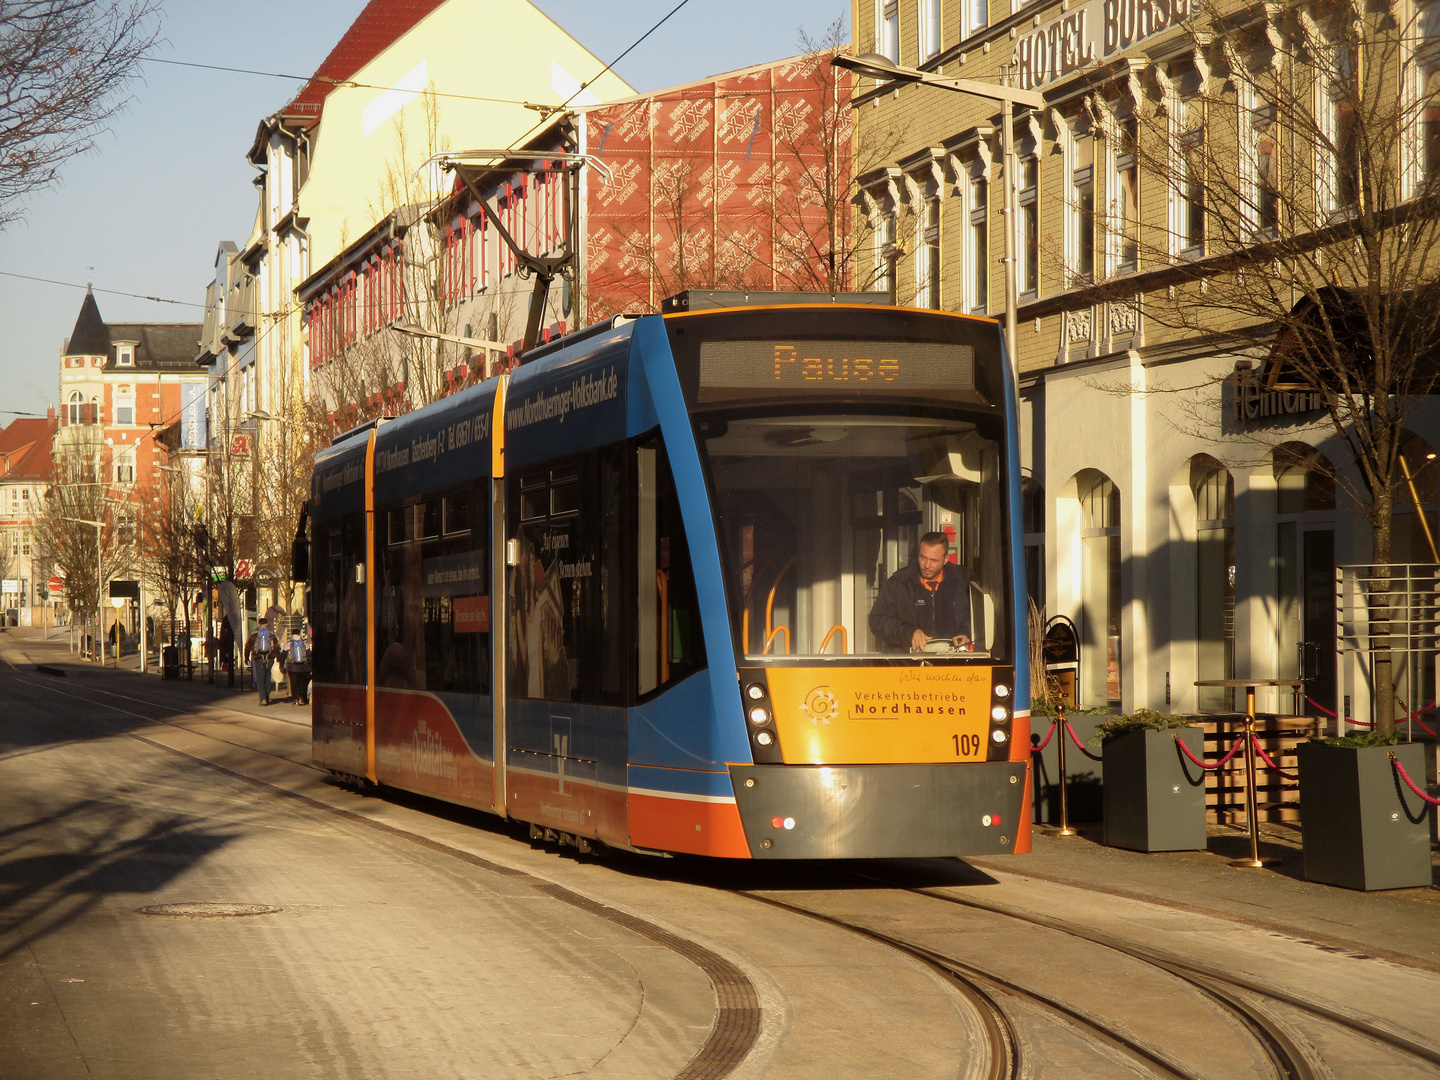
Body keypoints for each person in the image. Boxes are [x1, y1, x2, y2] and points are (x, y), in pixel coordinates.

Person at [868, 531, 974, 653]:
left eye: (934, 560)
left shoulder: (962, 582)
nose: (927, 565)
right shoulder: (899, 582)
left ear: (945, 560)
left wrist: (965, 633)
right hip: (907, 664)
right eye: (923, 558)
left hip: (951, 663)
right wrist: (908, 632)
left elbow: (973, 617)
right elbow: (876, 620)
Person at [244, 617, 280, 706]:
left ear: (259, 624)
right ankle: (267, 697)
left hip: (258, 658)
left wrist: (246, 658)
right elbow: (277, 647)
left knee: (260, 679)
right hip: (270, 658)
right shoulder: (271, 634)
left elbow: (248, 646)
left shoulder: (254, 634)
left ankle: (263, 699)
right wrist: (277, 658)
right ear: (267, 623)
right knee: (268, 678)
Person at [285, 628, 311, 706]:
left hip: (291, 667)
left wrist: (281, 665)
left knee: (293, 684)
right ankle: (301, 698)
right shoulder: (304, 644)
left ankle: (295, 699)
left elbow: (283, 655)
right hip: (303, 667)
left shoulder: (288, 644)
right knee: (302, 683)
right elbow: (309, 655)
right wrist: (310, 665)